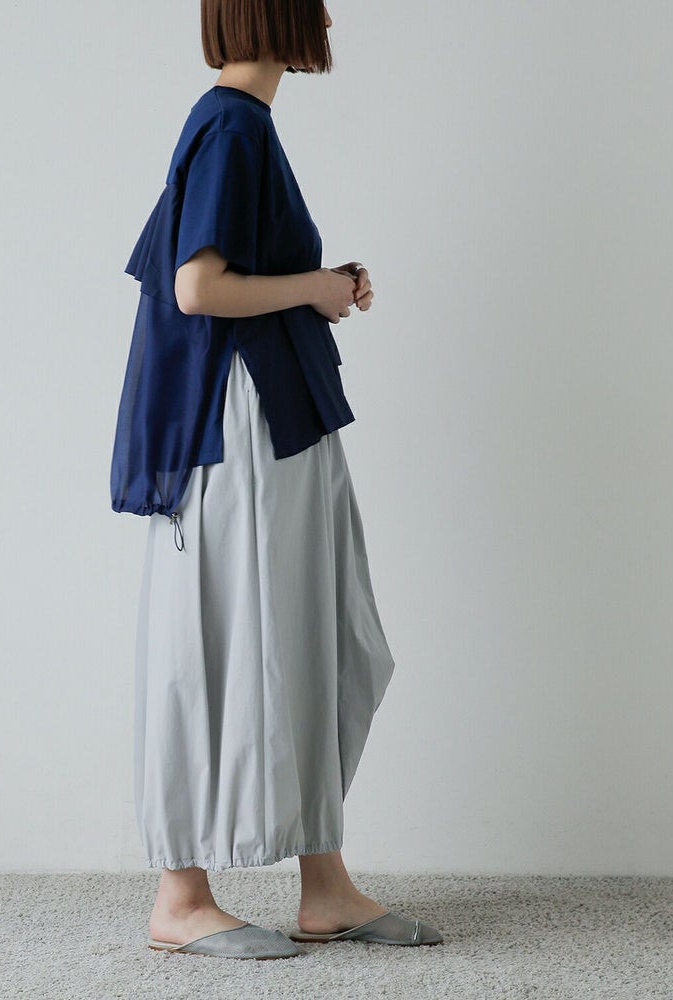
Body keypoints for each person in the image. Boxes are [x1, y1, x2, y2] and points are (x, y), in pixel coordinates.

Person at [110, 0, 443, 961]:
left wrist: (320, 287)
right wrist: (311, 288)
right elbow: (196, 287)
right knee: (222, 635)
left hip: (280, 416)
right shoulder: (229, 126)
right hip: (245, 426)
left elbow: (225, 278)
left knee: (309, 633)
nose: (329, 14)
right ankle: (180, 898)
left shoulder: (241, 123)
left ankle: (324, 888)